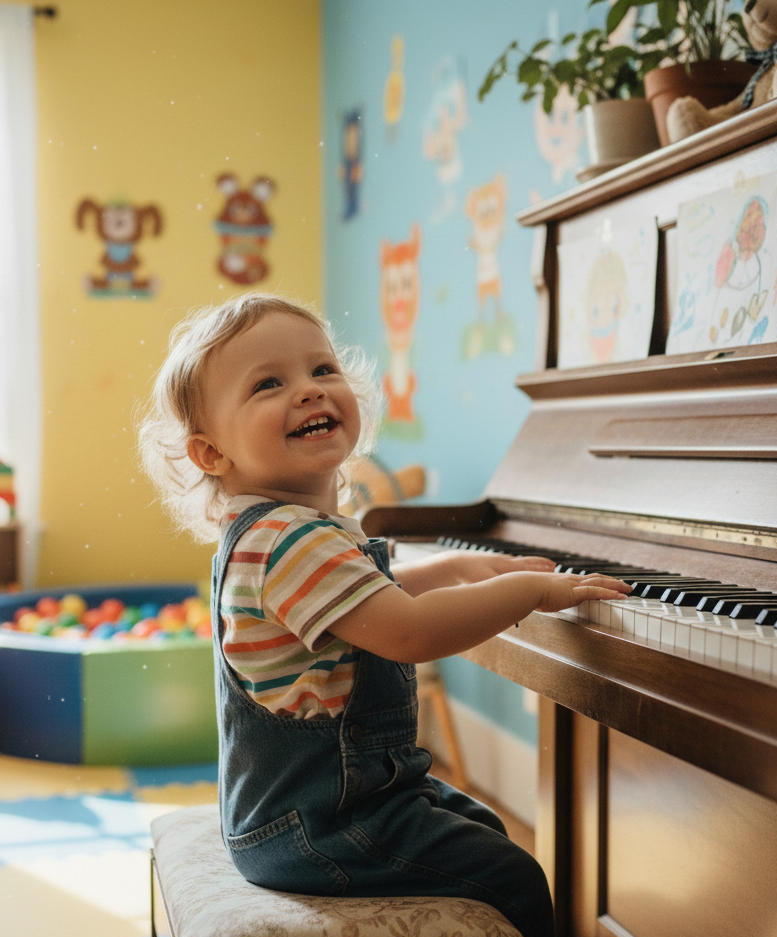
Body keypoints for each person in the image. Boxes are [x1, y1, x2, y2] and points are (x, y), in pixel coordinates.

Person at [138, 292, 632, 937]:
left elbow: (363, 596)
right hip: (321, 823)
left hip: (324, 806)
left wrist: (455, 569)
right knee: (511, 873)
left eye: (322, 370)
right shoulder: (289, 539)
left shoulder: (282, 532)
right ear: (211, 453)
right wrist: (531, 593)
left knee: (482, 830)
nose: (310, 392)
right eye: (268, 384)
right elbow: (406, 631)